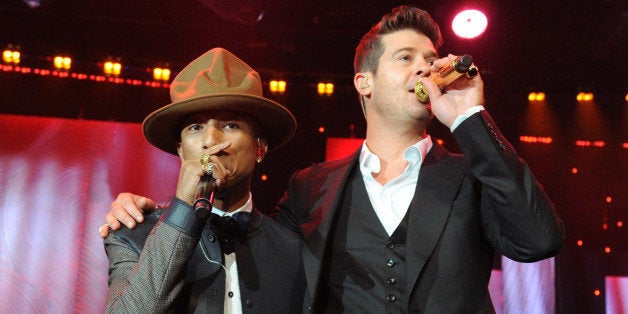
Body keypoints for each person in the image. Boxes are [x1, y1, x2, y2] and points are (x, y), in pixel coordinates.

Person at [100, 5, 565, 313]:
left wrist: (470, 118)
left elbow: (538, 240)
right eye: (406, 57)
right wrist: (156, 211)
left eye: (431, 57)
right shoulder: (311, 187)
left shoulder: (472, 175)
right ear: (364, 82)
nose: (426, 68)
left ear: (260, 147)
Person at [101, 47, 305, 313]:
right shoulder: (131, 234)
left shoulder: (294, 249)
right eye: (196, 128)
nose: (210, 141)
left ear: (260, 148)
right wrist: (183, 210)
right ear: (180, 149)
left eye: (230, 125)